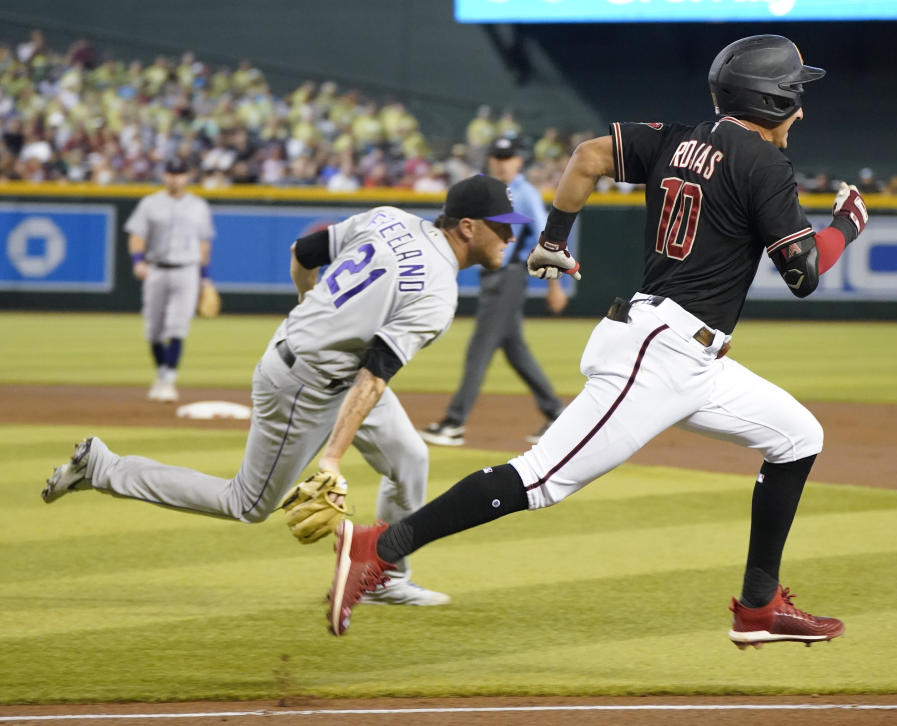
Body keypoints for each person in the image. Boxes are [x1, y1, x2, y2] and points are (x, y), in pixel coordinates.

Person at [325, 35, 870, 646]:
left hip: (690, 354)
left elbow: (587, 155)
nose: (802, 110)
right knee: (539, 479)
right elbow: (802, 273)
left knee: (798, 436)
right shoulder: (763, 163)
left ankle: (758, 607)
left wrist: (555, 238)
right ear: (774, 99)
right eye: (797, 96)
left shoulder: (674, 138)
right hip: (660, 353)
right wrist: (846, 225)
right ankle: (379, 546)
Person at [42, 175, 531, 608]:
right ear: (468, 226)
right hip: (307, 383)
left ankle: (383, 575)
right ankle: (105, 468)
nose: (510, 235)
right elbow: (375, 376)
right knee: (247, 503)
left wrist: (308, 306)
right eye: (502, 225)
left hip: (327, 362)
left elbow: (304, 252)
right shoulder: (439, 292)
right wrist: (333, 458)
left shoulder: (389, 218)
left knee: (409, 458)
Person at [420, 135, 567, 447]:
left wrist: (554, 285)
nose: (503, 163)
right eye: (498, 157)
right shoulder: (487, 190)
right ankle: (557, 415)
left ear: (519, 160)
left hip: (510, 278)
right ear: (491, 160)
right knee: (516, 351)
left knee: (479, 349)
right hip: (496, 279)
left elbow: (547, 237)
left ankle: (454, 423)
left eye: (508, 157)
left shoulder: (524, 194)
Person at [125, 159, 215, 402]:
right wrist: (137, 261)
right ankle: (161, 374)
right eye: (171, 173)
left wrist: (204, 279)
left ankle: (168, 379)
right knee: (153, 329)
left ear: (187, 176)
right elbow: (137, 235)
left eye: (180, 174)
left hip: (188, 270)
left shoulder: (198, 206)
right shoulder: (150, 204)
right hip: (156, 269)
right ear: (164, 176)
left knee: (177, 326)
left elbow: (204, 243)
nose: (175, 178)